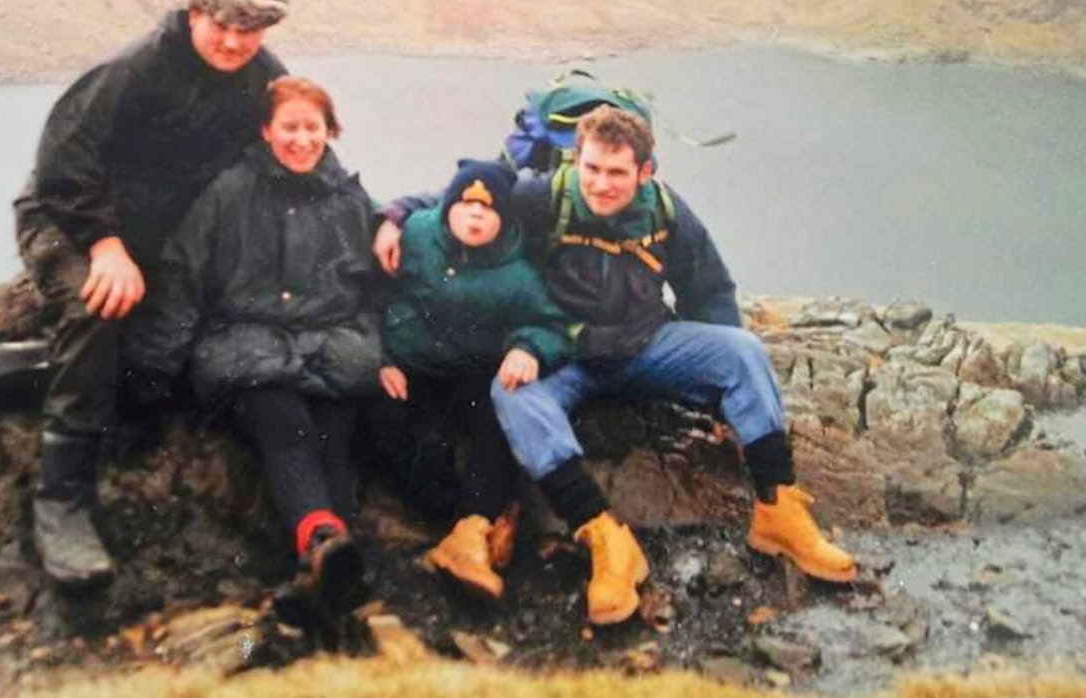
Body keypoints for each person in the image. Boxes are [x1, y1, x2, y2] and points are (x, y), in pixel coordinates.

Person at [374, 104, 856, 626]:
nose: (601, 185)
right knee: (511, 394)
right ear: (575, 162)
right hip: (566, 355)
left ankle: (777, 510)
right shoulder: (542, 197)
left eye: (617, 173)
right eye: (591, 170)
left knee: (741, 350)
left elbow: (709, 291)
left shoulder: (668, 212)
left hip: (646, 347)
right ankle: (607, 539)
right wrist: (392, 217)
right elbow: (459, 195)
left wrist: (726, 404)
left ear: (646, 172)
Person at [0, 0, 290, 586]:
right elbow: (62, 162)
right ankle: (61, 499)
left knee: (170, 360)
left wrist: (386, 221)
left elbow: (298, 151)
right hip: (69, 219)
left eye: (249, 29)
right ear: (196, 11)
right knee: (99, 309)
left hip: (158, 243)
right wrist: (104, 246)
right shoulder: (139, 68)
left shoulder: (264, 79)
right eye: (221, 23)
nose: (233, 41)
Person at [130, 77, 380, 614]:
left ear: (329, 131)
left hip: (331, 345)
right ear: (266, 130)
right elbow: (182, 273)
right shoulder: (228, 192)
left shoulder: (349, 198)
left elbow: (375, 278)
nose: (301, 139)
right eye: (289, 127)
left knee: (336, 436)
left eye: (312, 127)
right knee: (285, 424)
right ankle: (325, 546)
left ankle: (329, 564)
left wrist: (399, 224)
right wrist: (157, 365)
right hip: (250, 347)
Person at [367, 159, 572, 600]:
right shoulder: (416, 236)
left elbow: (550, 325)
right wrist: (380, 358)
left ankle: (474, 527)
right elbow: (371, 295)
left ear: (505, 218)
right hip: (409, 366)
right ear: (446, 208)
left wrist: (527, 348)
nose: (475, 216)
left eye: (488, 209)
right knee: (386, 418)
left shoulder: (519, 273)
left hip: (474, 371)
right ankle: (455, 516)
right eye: (465, 205)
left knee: (497, 419)